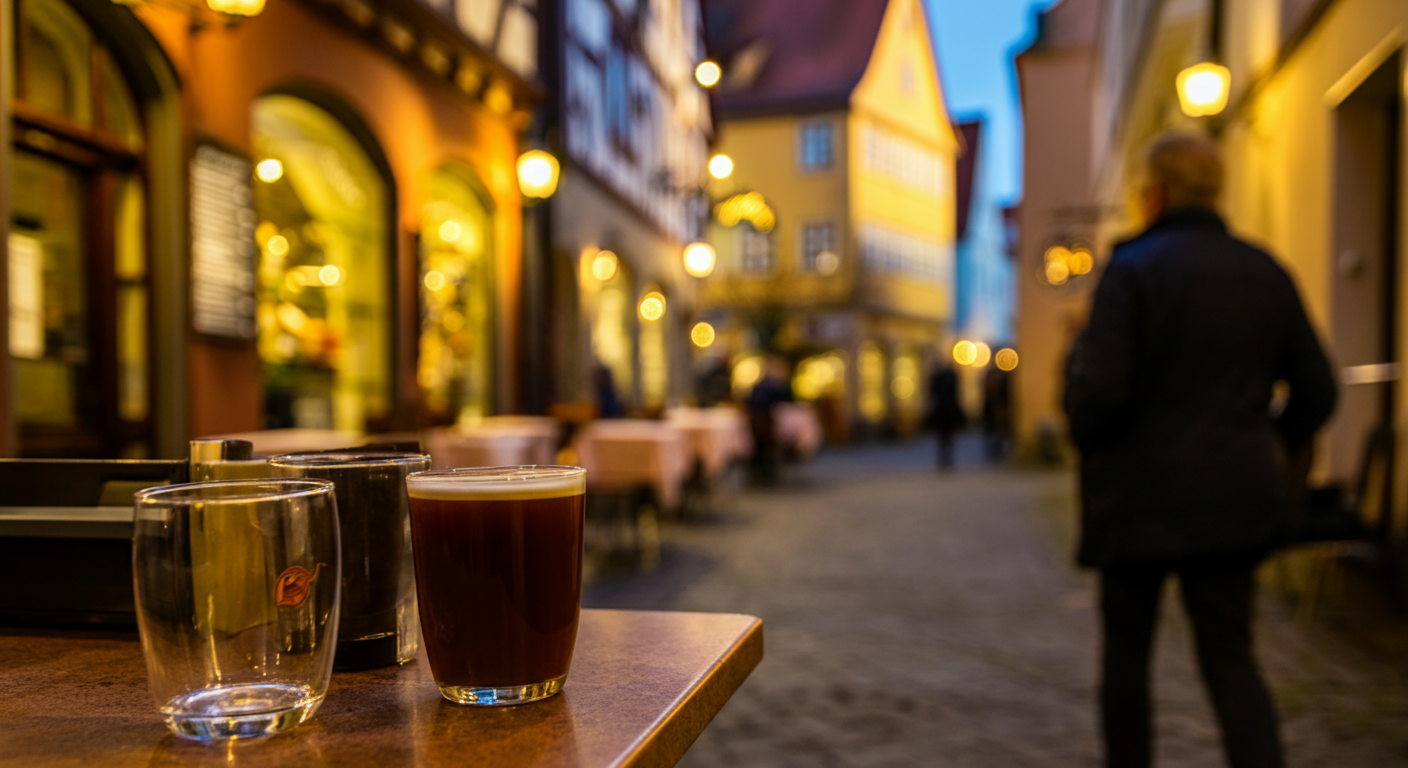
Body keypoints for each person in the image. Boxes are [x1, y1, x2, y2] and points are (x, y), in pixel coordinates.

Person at [1064, 133, 1336, 768]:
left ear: (1154, 194)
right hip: (1232, 495)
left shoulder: (1131, 271)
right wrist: (1265, 441)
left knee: (1128, 655)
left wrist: (1091, 437)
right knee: (1230, 652)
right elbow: (1318, 389)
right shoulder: (1264, 271)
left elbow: (1098, 393)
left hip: (1137, 497)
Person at [927, 364, 965, 467]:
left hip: (941, 410)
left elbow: (932, 393)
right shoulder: (952, 378)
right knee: (948, 435)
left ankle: (944, 456)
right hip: (949, 411)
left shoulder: (938, 379)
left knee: (942, 436)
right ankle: (947, 456)